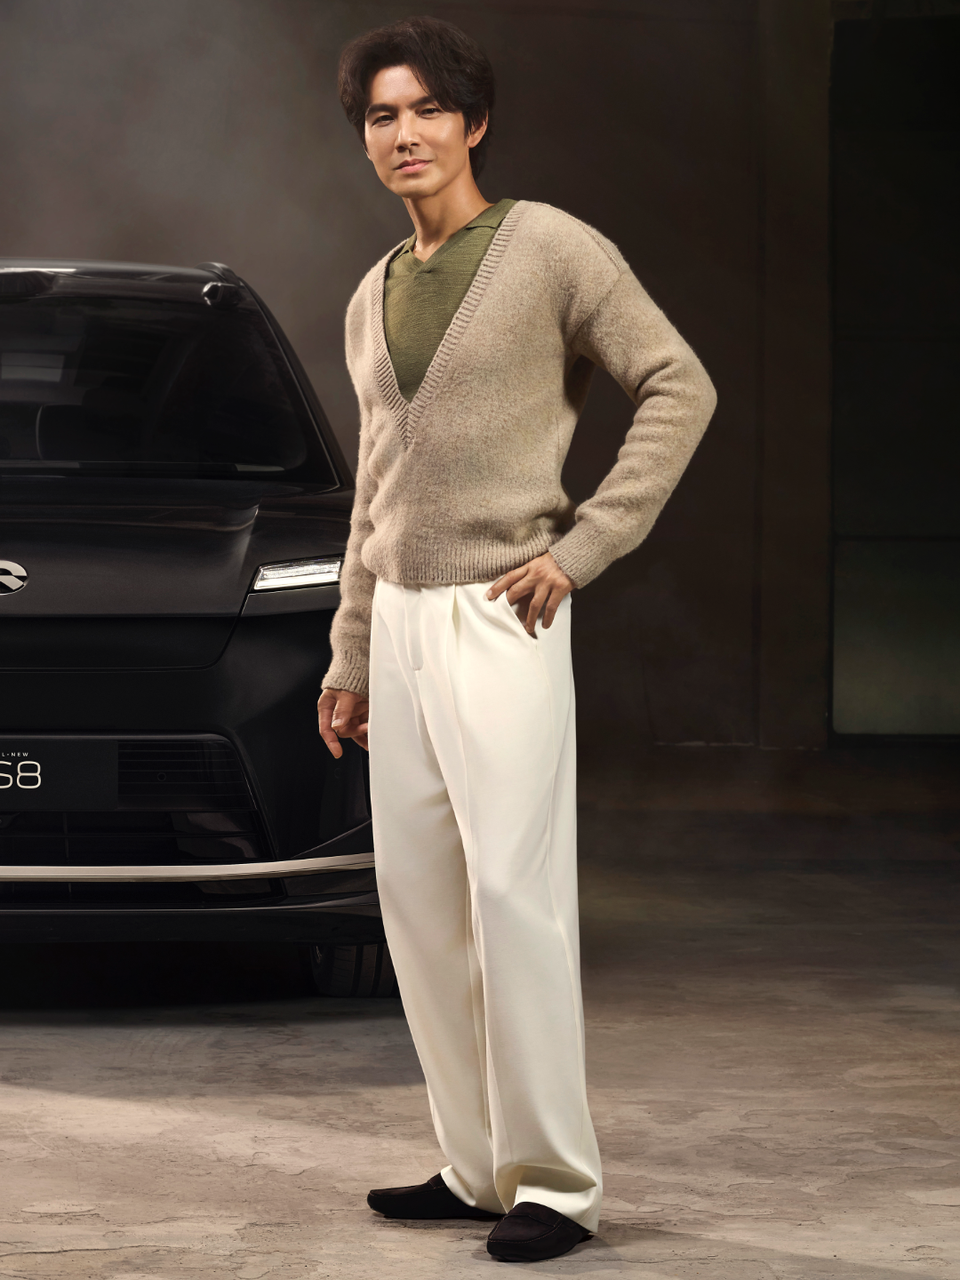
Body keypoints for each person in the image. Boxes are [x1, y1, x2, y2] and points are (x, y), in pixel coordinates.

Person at [317, 15, 717, 1264]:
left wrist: (584, 546)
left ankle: (554, 1182)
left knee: (512, 896)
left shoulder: (548, 247)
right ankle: (475, 1161)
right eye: (382, 115)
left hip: (504, 609)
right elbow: (374, 493)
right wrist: (349, 651)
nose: (405, 134)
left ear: (474, 123)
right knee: (419, 902)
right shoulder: (372, 294)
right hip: (399, 622)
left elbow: (680, 384)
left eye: (427, 110)